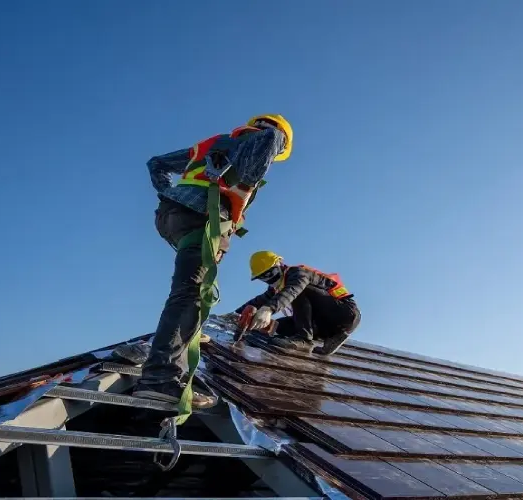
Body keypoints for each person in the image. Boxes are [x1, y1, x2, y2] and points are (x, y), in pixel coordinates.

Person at [132, 115, 293, 407]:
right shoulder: (269, 138)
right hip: (203, 217)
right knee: (191, 293)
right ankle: (161, 380)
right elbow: (269, 141)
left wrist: (169, 192)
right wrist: (248, 174)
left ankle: (186, 338)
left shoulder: (214, 144)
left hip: (171, 217)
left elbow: (156, 163)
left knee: (190, 288)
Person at [236, 251, 361, 356]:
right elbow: (259, 300)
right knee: (277, 326)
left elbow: (293, 290)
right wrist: (237, 314)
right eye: (262, 277)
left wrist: (268, 309)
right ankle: (330, 338)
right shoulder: (277, 288)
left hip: (344, 314)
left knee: (299, 290)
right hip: (322, 325)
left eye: (269, 273)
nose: (268, 279)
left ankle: (304, 340)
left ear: (279, 264)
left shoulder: (299, 273)